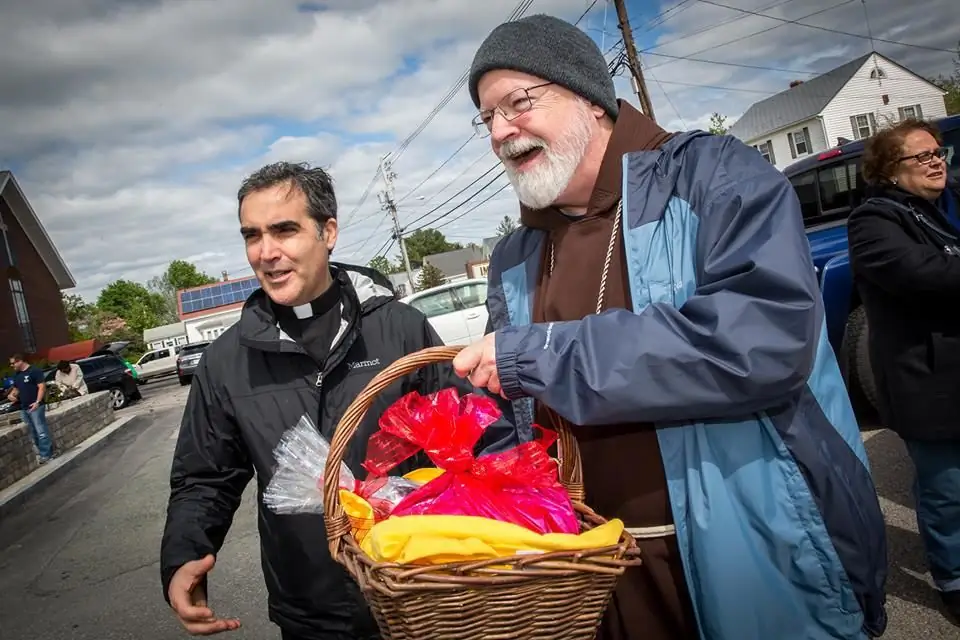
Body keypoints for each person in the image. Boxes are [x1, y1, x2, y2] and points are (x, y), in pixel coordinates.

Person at [453, 13, 889, 640]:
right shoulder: (515, 256)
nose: (500, 131)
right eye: (488, 117)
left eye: (518, 103)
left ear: (591, 98)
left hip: (751, 550)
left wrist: (542, 354)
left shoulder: (713, 175)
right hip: (590, 573)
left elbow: (761, 342)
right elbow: (513, 416)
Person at [159, 161, 515, 640]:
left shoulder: (399, 330)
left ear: (327, 232)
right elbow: (204, 477)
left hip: (419, 594)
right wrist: (183, 555)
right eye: (252, 236)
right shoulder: (226, 362)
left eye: (284, 230)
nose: (266, 252)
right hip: (311, 611)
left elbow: (472, 441)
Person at [846, 118, 960, 624]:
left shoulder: (949, 203)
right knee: (947, 488)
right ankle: (954, 578)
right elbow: (922, 274)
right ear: (891, 170)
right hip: (928, 378)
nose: (936, 162)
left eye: (939, 153)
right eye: (922, 156)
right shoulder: (872, 223)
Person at [7, 353, 55, 463]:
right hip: (24, 407)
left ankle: (46, 455)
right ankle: (43, 453)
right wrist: (12, 395)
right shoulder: (17, 375)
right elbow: (16, 389)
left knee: (41, 431)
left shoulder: (34, 371)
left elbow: (41, 387)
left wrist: (37, 402)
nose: (11, 366)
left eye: (13, 363)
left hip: (36, 406)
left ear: (20, 361)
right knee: (33, 432)